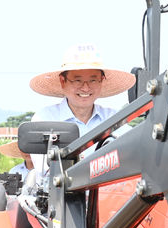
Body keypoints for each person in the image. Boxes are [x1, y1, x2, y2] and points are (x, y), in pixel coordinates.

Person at [28, 43, 135, 174]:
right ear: (63, 81)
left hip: (109, 193)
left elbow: (134, 153)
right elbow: (46, 173)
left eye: (93, 80)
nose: (85, 88)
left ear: (101, 81)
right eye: (77, 81)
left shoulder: (114, 120)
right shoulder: (45, 119)